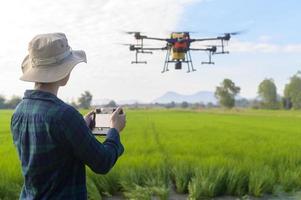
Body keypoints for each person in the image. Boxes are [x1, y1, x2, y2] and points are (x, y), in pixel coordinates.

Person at [10, 33, 126, 199]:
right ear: (64, 72)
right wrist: (115, 130)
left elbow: (53, 151)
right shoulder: (65, 115)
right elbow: (102, 162)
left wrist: (81, 126)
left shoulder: (19, 111)